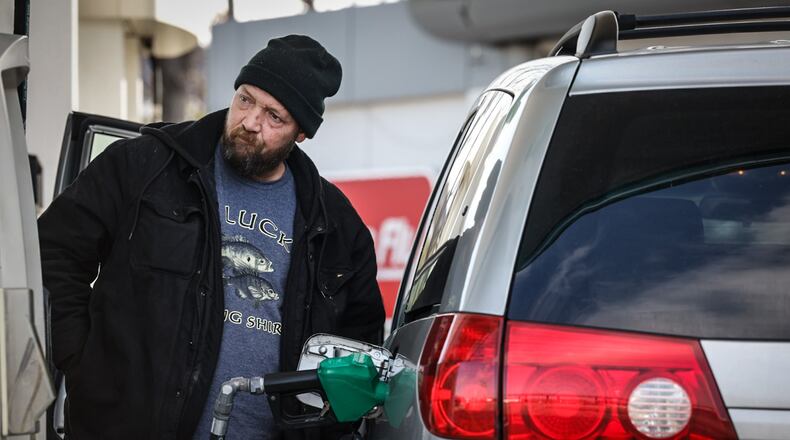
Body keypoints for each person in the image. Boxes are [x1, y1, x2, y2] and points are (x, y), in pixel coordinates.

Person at [38, 35, 385, 440]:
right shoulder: (146, 166)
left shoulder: (336, 225)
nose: (250, 122)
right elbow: (54, 251)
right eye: (245, 99)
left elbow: (358, 347)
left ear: (301, 133)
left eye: (274, 116)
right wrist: (81, 362)